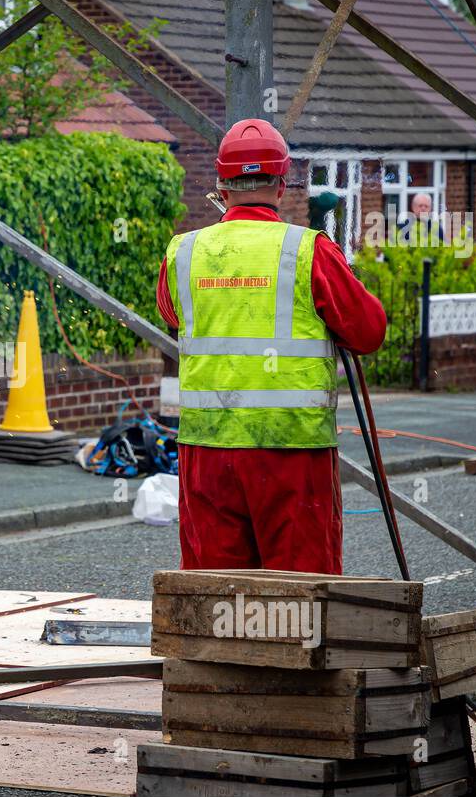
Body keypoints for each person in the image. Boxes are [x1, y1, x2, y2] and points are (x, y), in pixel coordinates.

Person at [155, 120, 386, 575]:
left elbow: (174, 316)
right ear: (282, 186)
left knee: (214, 596)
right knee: (301, 596)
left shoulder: (183, 252)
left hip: (208, 451)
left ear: (222, 186)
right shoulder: (308, 251)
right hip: (291, 450)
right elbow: (369, 332)